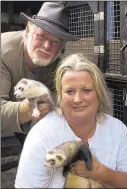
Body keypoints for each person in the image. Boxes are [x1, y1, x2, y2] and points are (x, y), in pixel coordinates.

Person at [15, 53, 127, 188]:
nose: (77, 99)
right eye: (70, 91)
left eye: (86, 90)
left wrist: (99, 172)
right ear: (59, 96)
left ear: (99, 93)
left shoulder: (117, 130)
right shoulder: (42, 134)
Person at [1, 2, 79, 139]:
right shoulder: (4, 52)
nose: (47, 46)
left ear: (62, 46)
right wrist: (33, 107)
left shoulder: (57, 64)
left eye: (55, 42)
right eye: (41, 36)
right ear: (27, 31)